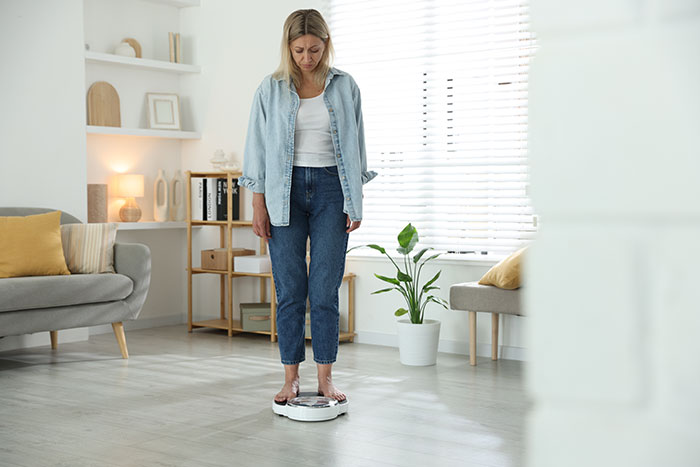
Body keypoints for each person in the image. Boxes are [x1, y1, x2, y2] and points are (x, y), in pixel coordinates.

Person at [239, 9, 376, 403]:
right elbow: (257, 149)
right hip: (285, 191)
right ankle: (290, 378)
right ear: (288, 48)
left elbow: (357, 145)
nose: (306, 58)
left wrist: (356, 199)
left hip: (334, 189)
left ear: (326, 44)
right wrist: (258, 203)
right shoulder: (271, 88)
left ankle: (326, 378)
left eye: (314, 49)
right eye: (298, 50)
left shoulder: (345, 86)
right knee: (290, 289)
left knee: (324, 289)